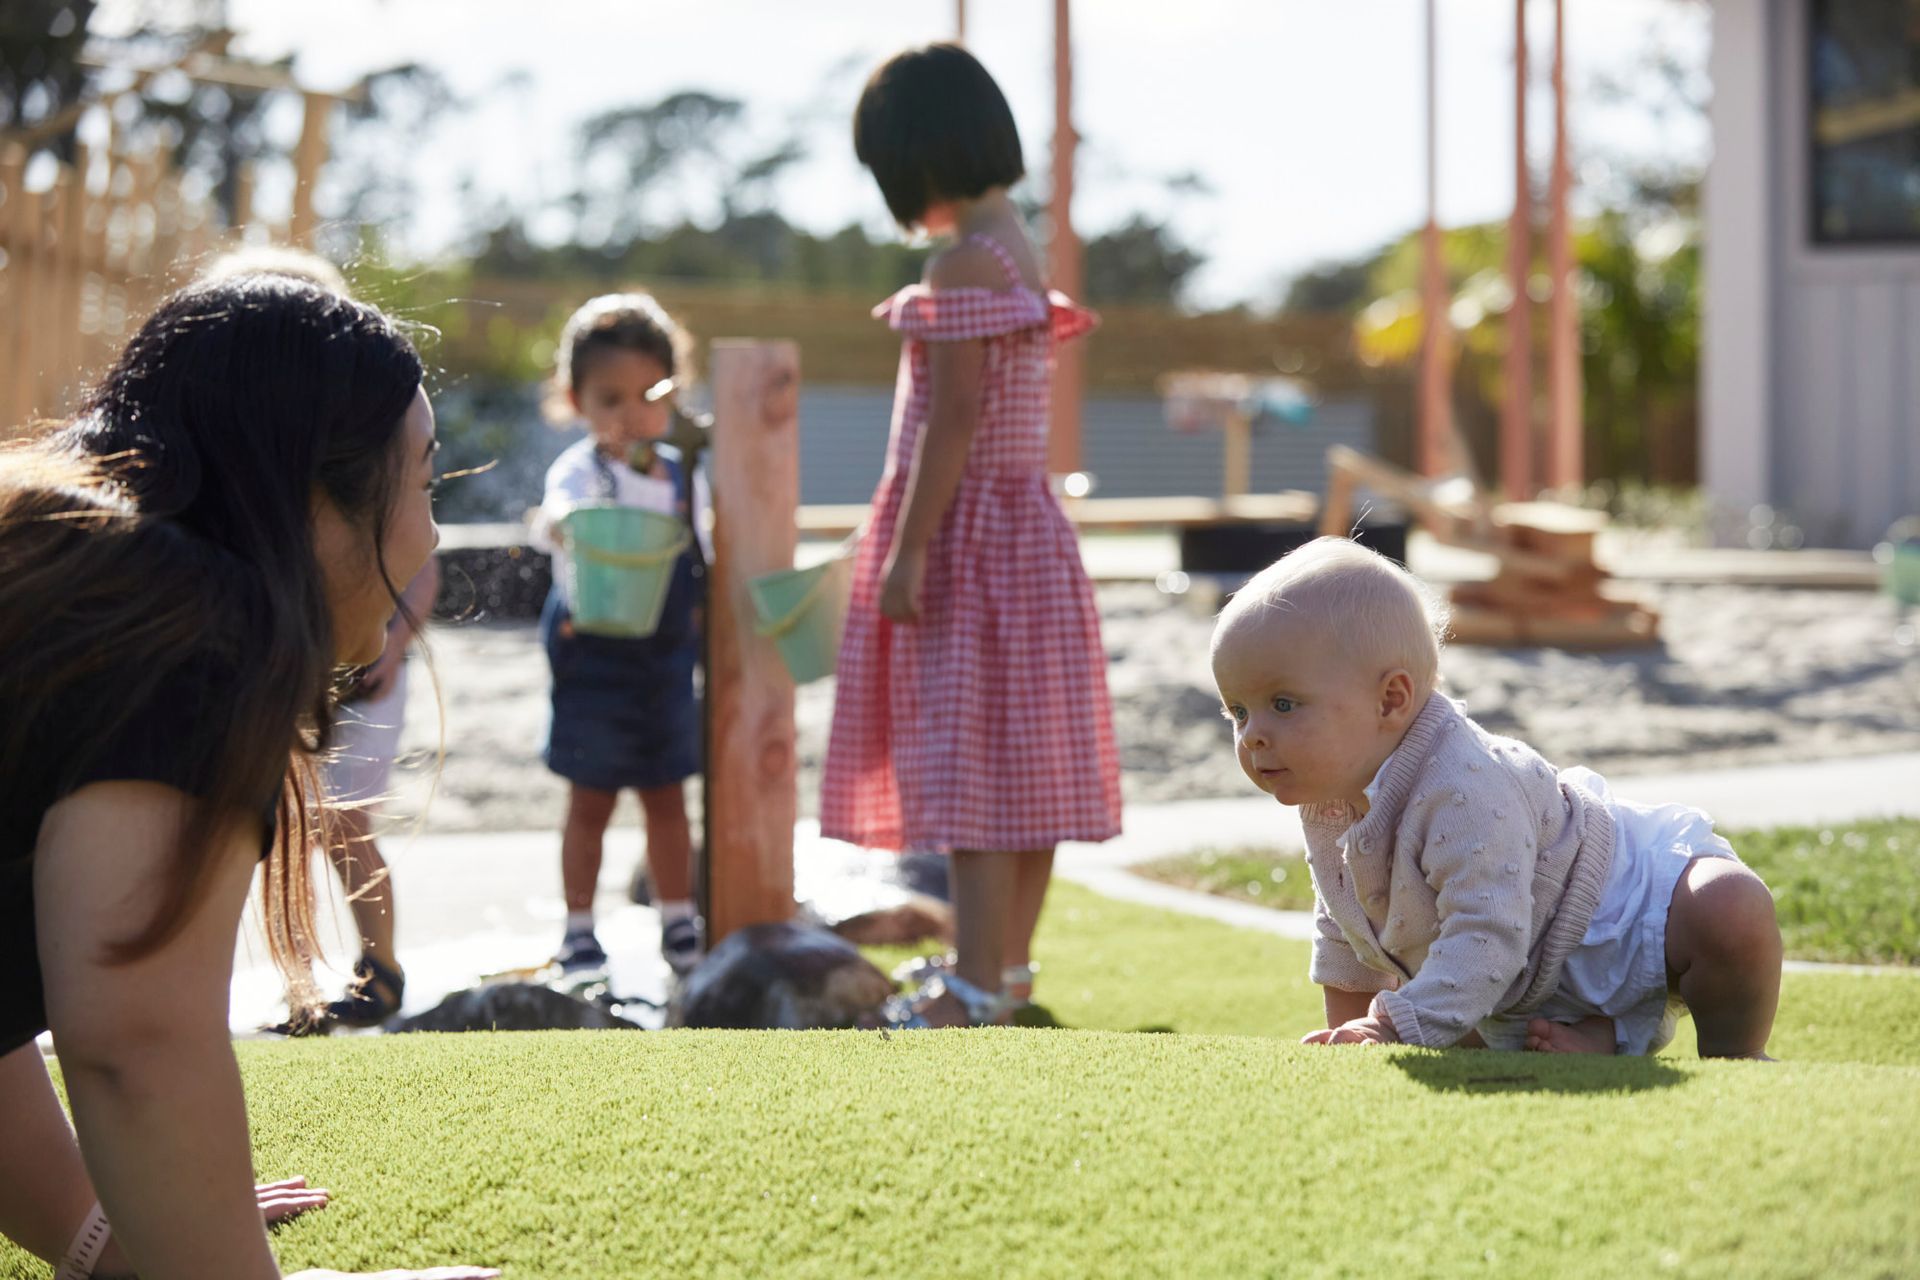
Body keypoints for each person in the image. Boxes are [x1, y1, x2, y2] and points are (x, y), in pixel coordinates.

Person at [0, 273, 498, 1278]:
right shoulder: (192, 632)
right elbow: (135, 1038)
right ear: (316, 490)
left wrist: (108, 1240)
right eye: (425, 482)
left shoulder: (73, 570)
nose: (433, 532)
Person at [1209, 537, 1784, 1057]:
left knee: (1729, 907)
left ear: (1390, 700)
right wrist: (1349, 1037)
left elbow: (1488, 930)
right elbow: (1345, 926)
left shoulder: (1462, 785)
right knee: (1476, 1025)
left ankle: (1736, 1059)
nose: (1253, 734)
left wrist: (1389, 1027)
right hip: (1526, 970)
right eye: (1237, 711)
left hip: (1619, 913)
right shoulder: (1330, 797)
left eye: (1283, 705)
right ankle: (1597, 1037)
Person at [820, 43, 1124, 1028]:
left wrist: (907, 551)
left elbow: (951, 420)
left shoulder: (960, 262)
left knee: (972, 771)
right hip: (1024, 529)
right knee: (1021, 766)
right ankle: (1008, 973)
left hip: (968, 537)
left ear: (916, 154)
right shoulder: (1018, 247)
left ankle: (976, 983)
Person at [195, 246, 431, 1033]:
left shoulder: (370, 435)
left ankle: (381, 965)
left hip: (360, 675)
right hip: (292, 670)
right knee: (271, 823)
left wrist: (390, 645)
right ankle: (278, 979)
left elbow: (420, 553)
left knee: (342, 821)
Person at [532, 293, 705, 978]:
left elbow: (703, 549)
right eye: (609, 398)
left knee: (666, 795)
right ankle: (578, 926)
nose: (629, 414)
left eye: (646, 395)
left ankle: (678, 917)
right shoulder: (580, 472)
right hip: (593, 650)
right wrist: (562, 521)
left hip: (661, 657)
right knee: (590, 795)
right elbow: (554, 519)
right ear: (576, 400)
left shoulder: (682, 477)